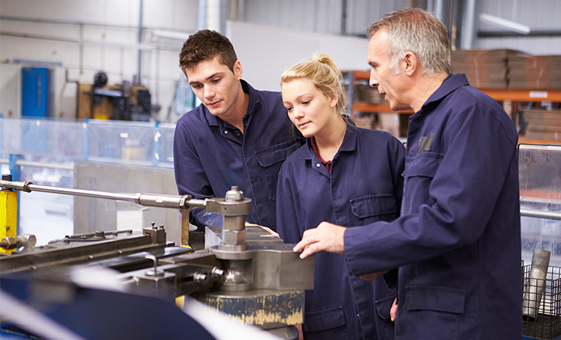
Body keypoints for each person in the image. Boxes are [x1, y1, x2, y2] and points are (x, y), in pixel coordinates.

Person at [293, 8, 522, 340]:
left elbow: (451, 221)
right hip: (428, 317)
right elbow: (423, 224)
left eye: (375, 65)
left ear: (408, 63)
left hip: (464, 323)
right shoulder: (430, 122)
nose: (371, 79)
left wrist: (349, 239)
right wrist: (387, 267)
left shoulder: (472, 115)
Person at [277, 52, 405, 340]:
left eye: (305, 102)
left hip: (389, 315)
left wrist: (410, 292)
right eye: (289, 107)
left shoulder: (386, 151)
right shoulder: (292, 171)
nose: (296, 113)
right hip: (326, 321)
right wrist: (290, 315)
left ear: (332, 97)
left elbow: (414, 228)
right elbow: (290, 252)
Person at [174, 29, 303, 231]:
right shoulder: (189, 131)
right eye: (197, 85)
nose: (208, 94)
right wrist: (242, 230)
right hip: (235, 251)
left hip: (300, 244)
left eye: (215, 80)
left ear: (237, 70)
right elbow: (195, 206)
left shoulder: (285, 110)